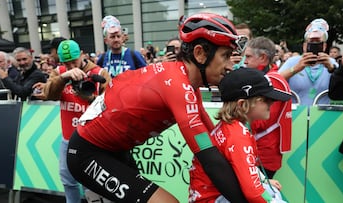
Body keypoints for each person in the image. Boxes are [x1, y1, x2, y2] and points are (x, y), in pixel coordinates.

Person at [66, 13, 249, 203]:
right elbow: (209, 159)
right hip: (88, 153)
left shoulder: (187, 85)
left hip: (114, 151)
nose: (230, 65)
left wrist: (256, 182)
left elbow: (213, 142)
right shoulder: (178, 86)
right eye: (226, 56)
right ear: (200, 54)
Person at [189, 68, 290, 203]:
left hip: (209, 197)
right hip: (215, 199)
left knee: (272, 191)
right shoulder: (237, 134)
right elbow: (254, 194)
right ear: (242, 104)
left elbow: (239, 171)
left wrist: (264, 182)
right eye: (265, 99)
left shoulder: (230, 126)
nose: (272, 103)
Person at [33, 39, 111, 203]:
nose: (70, 66)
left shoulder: (100, 72)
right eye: (65, 63)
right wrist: (63, 78)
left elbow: (111, 107)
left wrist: (90, 99)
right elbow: (49, 94)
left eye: (73, 62)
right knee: (68, 181)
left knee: (91, 184)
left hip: (91, 141)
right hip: (67, 138)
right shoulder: (60, 71)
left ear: (82, 54)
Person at [243, 36, 292, 178]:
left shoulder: (272, 81)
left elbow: (262, 119)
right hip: (262, 150)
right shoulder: (269, 78)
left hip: (263, 153)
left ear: (263, 58)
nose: (244, 61)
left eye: (248, 57)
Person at [278, 18, 338, 105]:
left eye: (318, 42)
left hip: (323, 115)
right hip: (296, 114)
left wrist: (332, 69)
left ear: (324, 46)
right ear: (304, 46)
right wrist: (296, 68)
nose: (315, 45)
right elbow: (275, 80)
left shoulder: (331, 62)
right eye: (311, 42)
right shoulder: (293, 61)